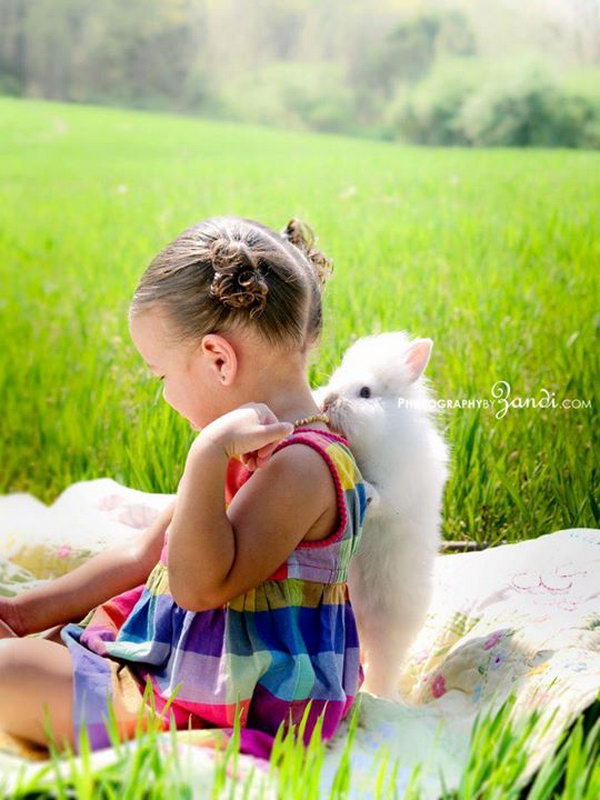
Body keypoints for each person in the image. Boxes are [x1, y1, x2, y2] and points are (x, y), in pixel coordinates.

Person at [0, 216, 368, 759]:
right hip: (176, 661)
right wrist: (22, 613)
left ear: (218, 359)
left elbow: (199, 586)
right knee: (25, 654)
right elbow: (147, 554)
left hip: (224, 697)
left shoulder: (302, 467)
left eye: (160, 376)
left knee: (7, 677)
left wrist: (205, 457)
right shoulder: (248, 446)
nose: (165, 394)